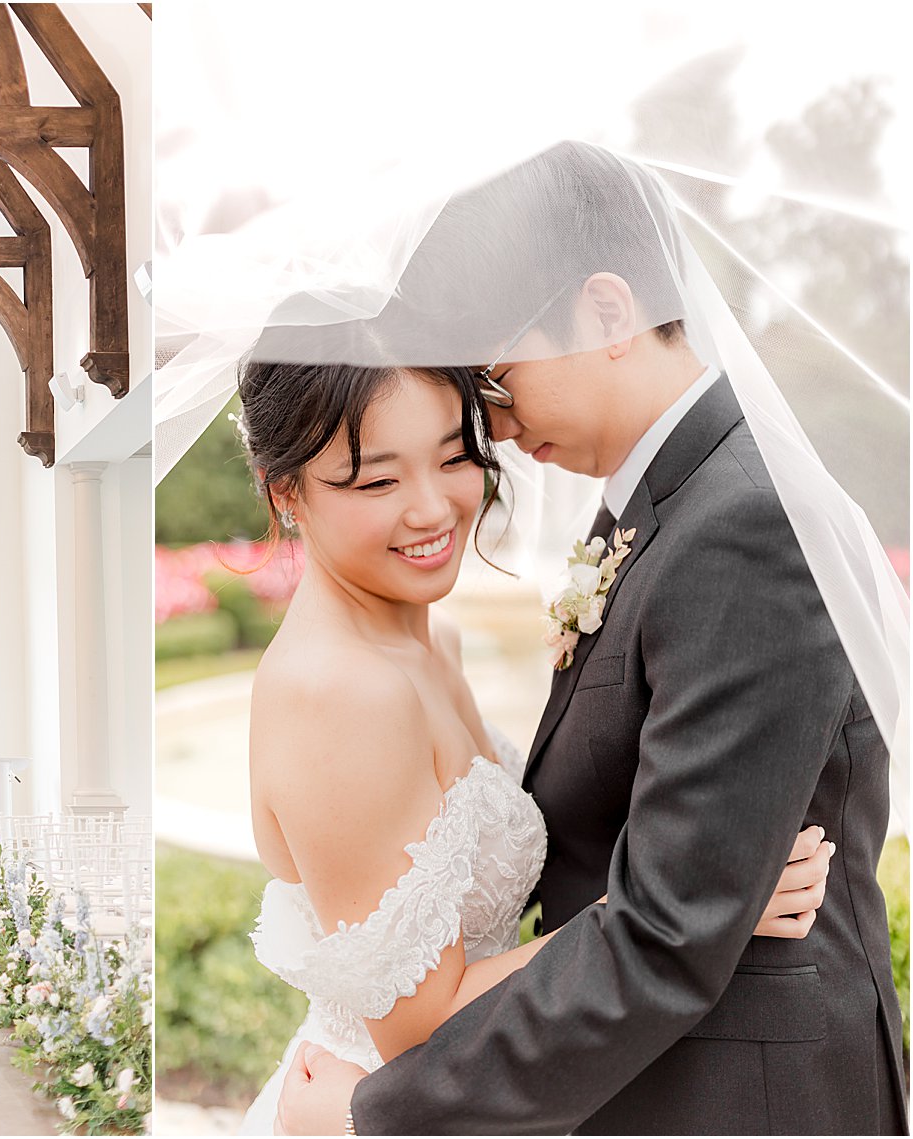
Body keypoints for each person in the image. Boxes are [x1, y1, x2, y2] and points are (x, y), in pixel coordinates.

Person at [270, 143, 906, 1135]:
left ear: (605, 312)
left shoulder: (738, 524)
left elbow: (669, 928)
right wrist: (695, 892)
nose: (494, 412)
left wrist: (375, 1115)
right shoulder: (654, 508)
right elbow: (652, 882)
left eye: (495, 370)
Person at [231, 354, 838, 1136]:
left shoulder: (429, 639)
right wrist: (698, 901)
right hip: (388, 1102)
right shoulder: (337, 691)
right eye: (377, 481)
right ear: (287, 493)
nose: (432, 509)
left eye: (454, 456)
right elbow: (421, 1024)